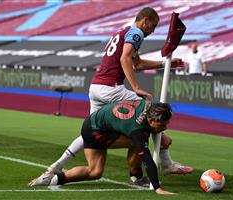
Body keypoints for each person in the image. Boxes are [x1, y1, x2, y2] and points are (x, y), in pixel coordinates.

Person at [30, 7, 193, 187]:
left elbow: (136, 63)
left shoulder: (123, 33)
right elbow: (125, 59)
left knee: (92, 130)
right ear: (144, 21)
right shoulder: (136, 33)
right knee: (147, 110)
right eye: (152, 26)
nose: (152, 31)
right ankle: (165, 164)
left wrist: (165, 63)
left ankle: (54, 168)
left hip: (96, 87)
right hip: (110, 88)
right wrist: (137, 87)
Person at [29, 100, 178, 196]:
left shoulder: (152, 106)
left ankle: (136, 175)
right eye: (162, 126)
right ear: (150, 119)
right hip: (94, 131)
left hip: (104, 123)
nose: (164, 128)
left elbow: (160, 106)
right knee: (95, 172)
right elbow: (147, 158)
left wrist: (161, 133)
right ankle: (52, 179)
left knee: (138, 142)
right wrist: (157, 188)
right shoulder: (137, 130)